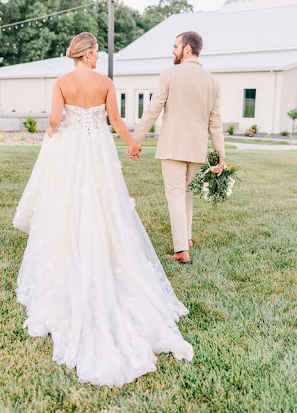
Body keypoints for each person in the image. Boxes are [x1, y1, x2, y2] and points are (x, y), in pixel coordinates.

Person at [13, 32, 193, 388]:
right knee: (104, 204)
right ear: (89, 52)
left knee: (68, 205)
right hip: (98, 153)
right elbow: (115, 121)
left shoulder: (62, 83)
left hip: (72, 152)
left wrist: (54, 134)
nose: (98, 58)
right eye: (97, 53)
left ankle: (71, 256)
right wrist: (132, 144)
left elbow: (53, 121)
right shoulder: (105, 83)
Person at [129, 31, 225, 265]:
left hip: (173, 147)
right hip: (197, 149)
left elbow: (153, 110)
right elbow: (215, 122)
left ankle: (181, 250)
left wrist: (136, 140)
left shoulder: (169, 74)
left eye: (175, 46)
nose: (173, 50)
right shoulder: (212, 80)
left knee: (174, 195)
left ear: (188, 49)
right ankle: (187, 238)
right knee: (186, 193)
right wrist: (220, 156)